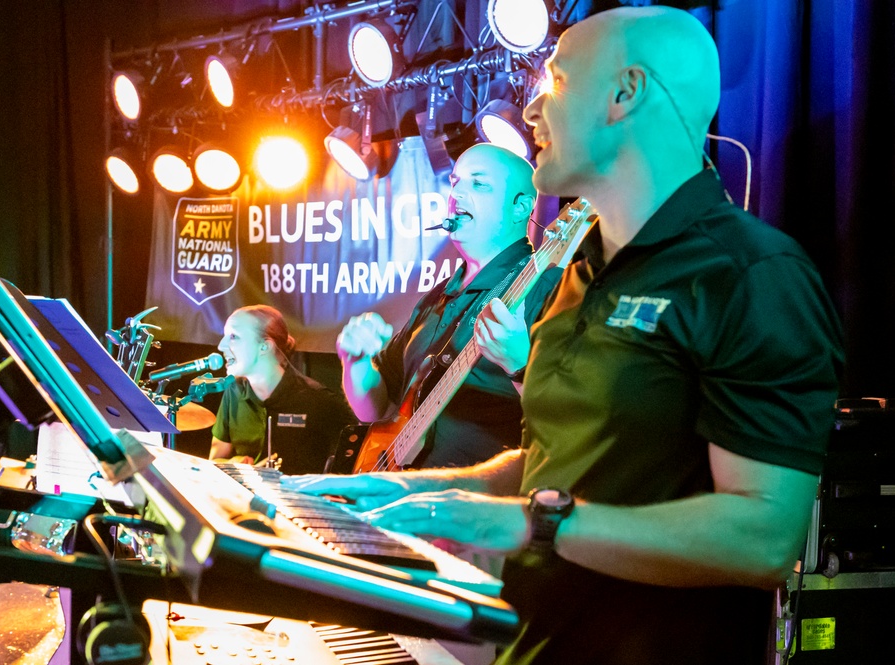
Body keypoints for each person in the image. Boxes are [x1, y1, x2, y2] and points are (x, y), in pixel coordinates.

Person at [286, 6, 845, 665]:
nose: (528, 113)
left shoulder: (749, 274)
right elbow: (555, 461)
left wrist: (530, 523)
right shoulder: (575, 272)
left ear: (623, 94)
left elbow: (762, 537)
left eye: (553, 82)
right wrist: (410, 491)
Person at [336, 143, 562, 470]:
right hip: (398, 500)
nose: (457, 194)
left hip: (477, 508)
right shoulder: (436, 297)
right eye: (455, 182)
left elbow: (574, 419)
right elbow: (378, 410)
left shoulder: (549, 288)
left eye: (479, 184)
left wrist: (521, 365)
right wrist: (354, 364)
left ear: (520, 207)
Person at [210, 305, 356, 475]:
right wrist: (234, 464)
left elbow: (351, 466)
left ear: (264, 347)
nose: (221, 346)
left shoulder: (318, 400)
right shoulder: (233, 392)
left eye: (233, 336)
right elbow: (215, 460)